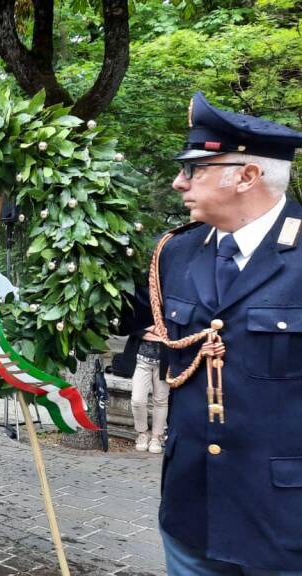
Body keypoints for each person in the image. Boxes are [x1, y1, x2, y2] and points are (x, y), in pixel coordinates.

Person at [122, 92, 302, 574]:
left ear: (247, 175)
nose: (178, 181)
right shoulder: (176, 253)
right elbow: (123, 318)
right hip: (190, 509)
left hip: (284, 522)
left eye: (194, 169)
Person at [129, 326, 168, 453]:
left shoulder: (171, 307)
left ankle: (157, 437)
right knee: (137, 400)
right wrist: (156, 331)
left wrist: (149, 331)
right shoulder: (143, 307)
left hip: (165, 362)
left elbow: (175, 333)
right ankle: (142, 433)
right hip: (141, 361)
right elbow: (133, 327)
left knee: (161, 400)